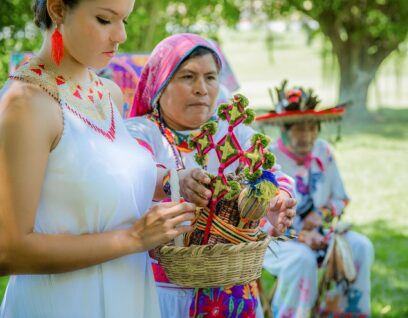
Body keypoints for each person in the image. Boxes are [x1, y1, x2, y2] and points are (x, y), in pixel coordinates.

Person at [0, 1, 207, 317]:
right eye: (104, 19)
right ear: (57, 9)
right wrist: (134, 238)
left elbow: (105, 176)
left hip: (130, 298)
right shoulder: (26, 104)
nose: (121, 35)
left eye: (125, 19)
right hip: (64, 305)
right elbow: (7, 250)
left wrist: (172, 182)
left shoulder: (108, 93)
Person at [125, 33, 297, 317]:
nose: (201, 89)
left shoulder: (233, 133)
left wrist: (276, 200)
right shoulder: (141, 131)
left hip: (230, 294)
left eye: (211, 77)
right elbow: (136, 171)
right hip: (160, 296)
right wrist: (175, 181)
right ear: (161, 82)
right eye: (188, 77)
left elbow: (274, 174)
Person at [256, 85, 374, 318]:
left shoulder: (324, 152)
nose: (307, 136)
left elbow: (341, 199)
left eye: (312, 128)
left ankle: (342, 313)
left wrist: (322, 215)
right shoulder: (267, 159)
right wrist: (300, 236)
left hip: (321, 234)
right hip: (277, 241)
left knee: (361, 247)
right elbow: (256, 217)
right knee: (302, 259)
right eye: (299, 129)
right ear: (284, 128)